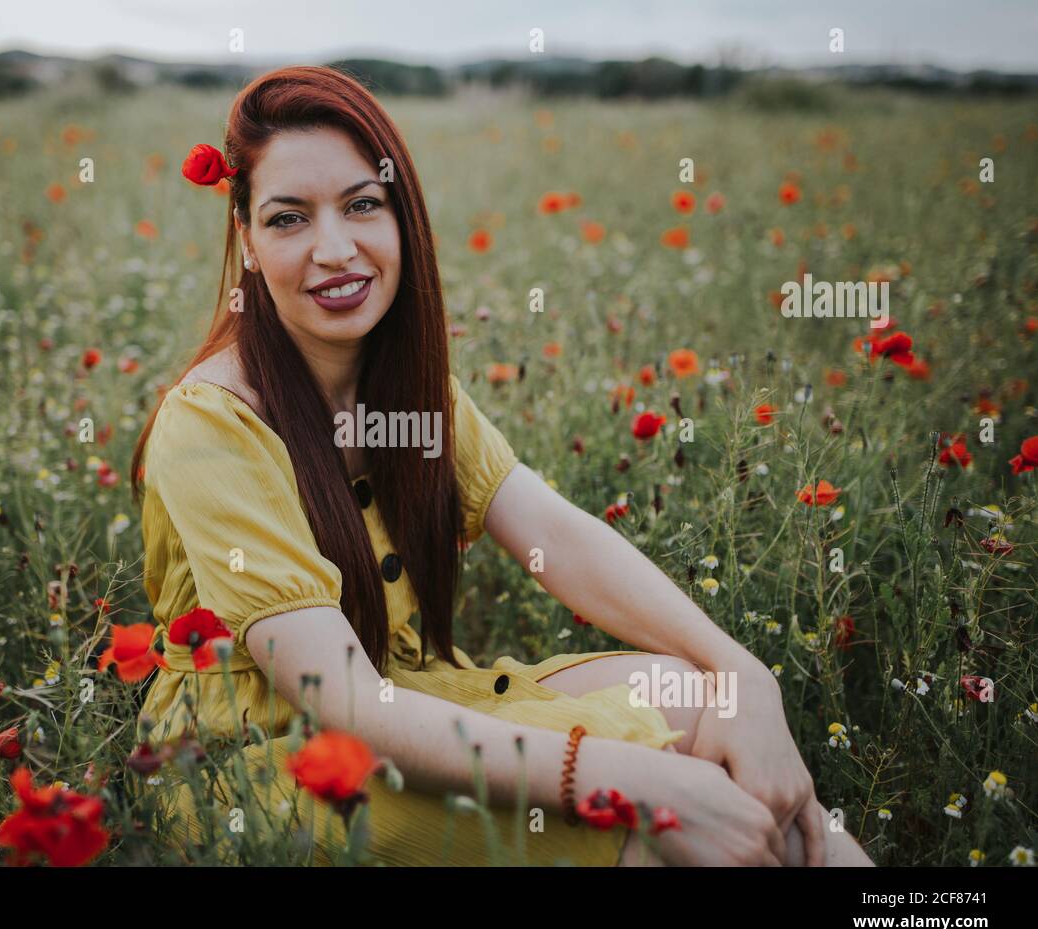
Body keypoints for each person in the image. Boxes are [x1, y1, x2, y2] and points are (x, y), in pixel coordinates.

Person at [129, 65, 874, 866]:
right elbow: (338, 701)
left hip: (408, 700)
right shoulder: (210, 422)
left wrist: (742, 672)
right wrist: (641, 785)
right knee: (639, 827)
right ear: (245, 239)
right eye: (288, 219)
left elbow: (558, 534)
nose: (335, 249)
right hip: (258, 768)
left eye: (362, 205)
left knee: (698, 699)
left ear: (402, 216)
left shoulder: (414, 391)